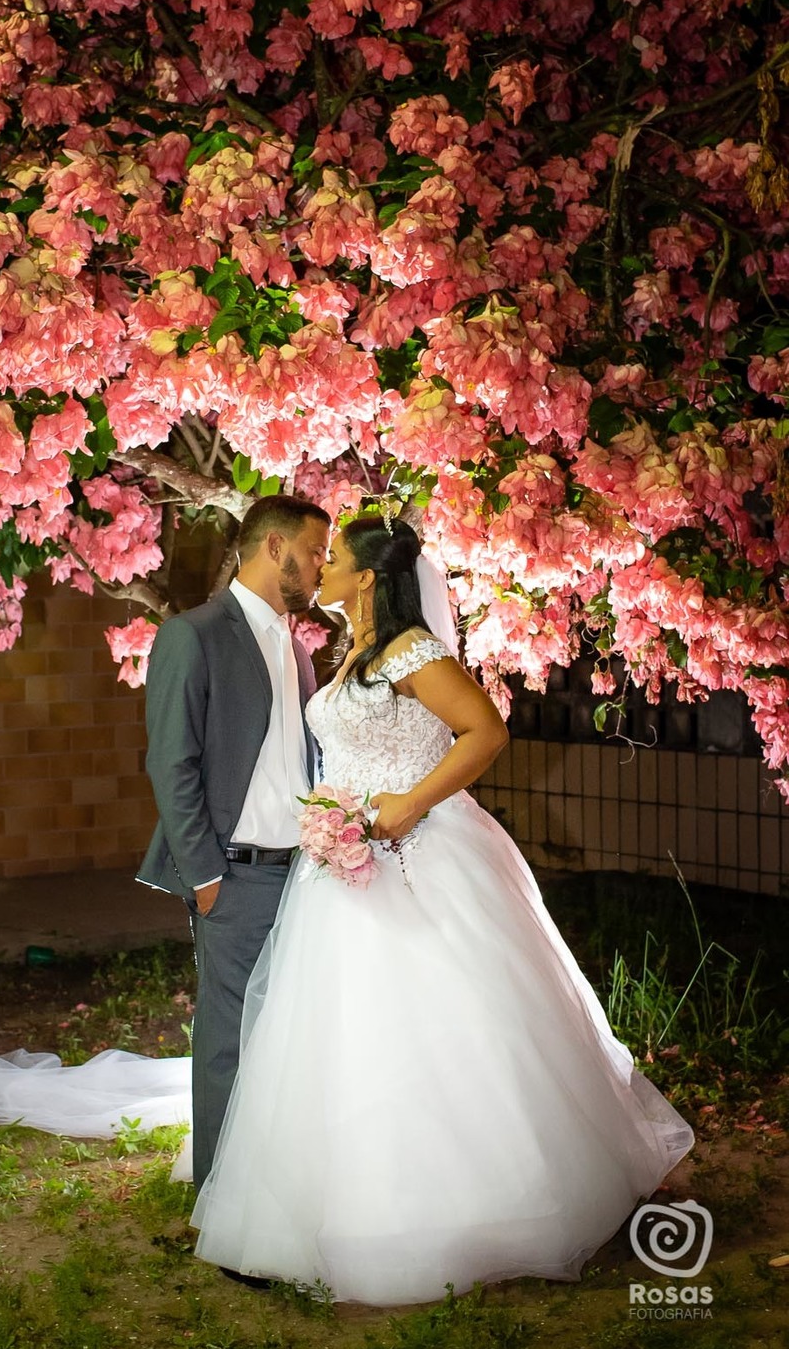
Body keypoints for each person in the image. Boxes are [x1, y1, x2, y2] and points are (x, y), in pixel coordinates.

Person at [189, 511, 696, 1305]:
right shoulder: (349, 651)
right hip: (343, 865)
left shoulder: (411, 651)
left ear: (366, 577)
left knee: (437, 1021)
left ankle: (469, 1204)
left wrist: (408, 804)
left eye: (333, 558)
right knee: (341, 1030)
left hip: (416, 853)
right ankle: (334, 1202)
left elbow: (484, 733)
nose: (321, 567)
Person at [136, 492, 331, 1191]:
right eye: (315, 551)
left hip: (303, 875)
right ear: (274, 547)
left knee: (287, 1035)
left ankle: (274, 1187)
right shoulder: (193, 635)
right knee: (229, 1041)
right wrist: (205, 875)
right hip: (236, 877)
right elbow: (171, 762)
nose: (323, 565)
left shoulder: (297, 650)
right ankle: (219, 1196)